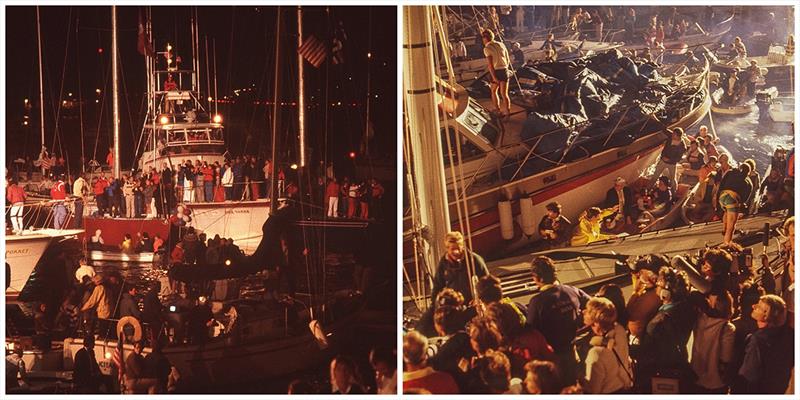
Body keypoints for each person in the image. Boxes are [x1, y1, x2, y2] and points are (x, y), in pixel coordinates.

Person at [526, 256, 591, 387]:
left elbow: (530, 332)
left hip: (553, 359)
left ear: (536, 278)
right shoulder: (572, 291)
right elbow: (594, 305)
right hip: (573, 353)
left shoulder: (537, 302)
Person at [738, 294, 794, 393]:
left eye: (758, 307)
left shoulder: (758, 340)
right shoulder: (790, 336)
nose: (753, 306)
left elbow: (749, 374)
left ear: (766, 314)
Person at [581, 297, 632, 394]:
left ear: (595, 323)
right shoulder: (620, 330)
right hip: (625, 387)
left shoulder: (595, 354)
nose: (583, 312)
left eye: (587, 311)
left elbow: (593, 390)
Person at [690, 290, 735, 393]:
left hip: (696, 374)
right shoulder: (727, 328)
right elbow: (726, 357)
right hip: (715, 380)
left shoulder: (699, 319)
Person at [431, 231, 489, 305]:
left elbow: (488, 283)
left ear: (462, 246)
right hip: (454, 307)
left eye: (458, 248)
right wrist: (434, 305)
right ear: (447, 248)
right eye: (453, 249)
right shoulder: (443, 264)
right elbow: (437, 286)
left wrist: (481, 300)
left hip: (473, 305)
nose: (456, 252)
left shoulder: (475, 260)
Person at [715, 162, 753, 244]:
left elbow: (721, 185)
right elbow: (744, 199)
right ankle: (727, 244)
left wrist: (717, 203)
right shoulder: (748, 182)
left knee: (726, 211)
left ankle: (724, 229)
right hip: (733, 200)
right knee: (731, 227)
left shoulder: (730, 172)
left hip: (722, 197)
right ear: (748, 173)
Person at [481, 29, 512, 118]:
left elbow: (490, 65)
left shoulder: (487, 48)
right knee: (504, 94)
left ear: (485, 38)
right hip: (504, 70)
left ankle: (497, 110)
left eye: (483, 38)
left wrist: (494, 77)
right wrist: (506, 68)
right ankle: (507, 113)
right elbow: (507, 58)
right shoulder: (501, 44)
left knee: (494, 91)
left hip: (496, 71)